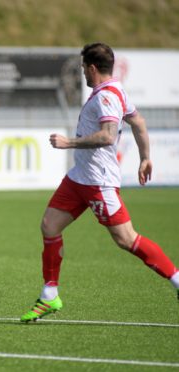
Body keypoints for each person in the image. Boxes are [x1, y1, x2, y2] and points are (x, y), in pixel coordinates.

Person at [20, 43, 179, 322]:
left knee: (126, 239)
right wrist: (145, 157)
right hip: (78, 179)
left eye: (83, 68)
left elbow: (107, 136)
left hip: (98, 183)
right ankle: (49, 296)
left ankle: (177, 279)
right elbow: (138, 122)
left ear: (92, 68)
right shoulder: (115, 90)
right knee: (49, 225)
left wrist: (68, 142)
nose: (82, 72)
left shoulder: (107, 97)